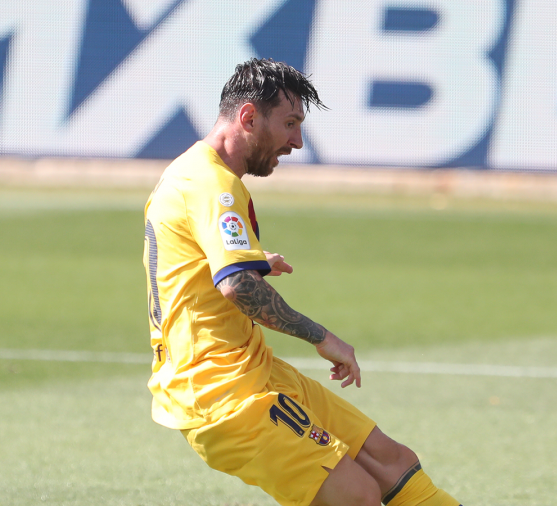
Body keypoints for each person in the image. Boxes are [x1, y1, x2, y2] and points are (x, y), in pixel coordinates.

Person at [142, 57, 461, 506]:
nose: (297, 141)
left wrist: (251, 260)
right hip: (220, 394)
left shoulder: (195, 172)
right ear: (248, 117)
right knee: (357, 496)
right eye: (290, 124)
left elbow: (198, 259)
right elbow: (237, 287)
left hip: (254, 371)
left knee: (391, 462)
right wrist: (322, 337)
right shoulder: (213, 185)